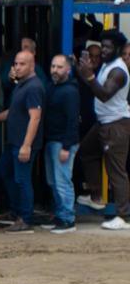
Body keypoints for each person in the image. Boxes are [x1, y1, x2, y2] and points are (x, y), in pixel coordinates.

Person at [76, 29, 130, 229]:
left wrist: (89, 77)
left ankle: (123, 216)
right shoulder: (107, 65)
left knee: (117, 170)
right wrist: (84, 72)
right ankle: (96, 197)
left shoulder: (118, 70)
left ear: (117, 48)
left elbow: (105, 94)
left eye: (107, 47)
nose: (104, 50)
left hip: (116, 125)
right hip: (103, 122)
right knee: (86, 152)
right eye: (103, 46)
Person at [0, 51, 43, 234]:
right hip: (13, 141)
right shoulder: (21, 85)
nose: (17, 67)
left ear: (32, 65)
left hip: (23, 143)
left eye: (22, 64)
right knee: (3, 170)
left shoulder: (34, 87)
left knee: (22, 179)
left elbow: (35, 117)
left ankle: (25, 218)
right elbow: (13, 111)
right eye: (16, 63)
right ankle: (16, 211)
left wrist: (27, 145)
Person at [41, 55, 81, 233]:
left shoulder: (70, 91)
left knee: (63, 181)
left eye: (59, 67)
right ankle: (60, 215)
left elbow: (73, 121)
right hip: (51, 140)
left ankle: (68, 219)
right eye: (53, 66)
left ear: (68, 70)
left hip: (63, 143)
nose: (54, 70)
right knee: (53, 181)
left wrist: (66, 147)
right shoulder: (51, 87)